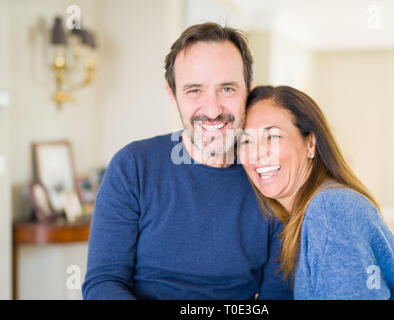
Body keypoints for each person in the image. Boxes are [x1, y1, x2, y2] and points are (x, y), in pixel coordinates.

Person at [82, 23, 292, 300]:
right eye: (194, 90)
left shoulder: (270, 176)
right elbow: (103, 283)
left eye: (227, 89)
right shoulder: (133, 167)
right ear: (173, 96)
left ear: (248, 91)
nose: (213, 110)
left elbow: (276, 297)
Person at [238, 85, 394, 300]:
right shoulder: (306, 215)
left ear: (311, 142)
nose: (256, 153)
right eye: (246, 141)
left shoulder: (329, 210)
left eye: (273, 137)